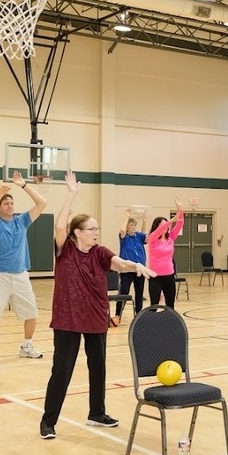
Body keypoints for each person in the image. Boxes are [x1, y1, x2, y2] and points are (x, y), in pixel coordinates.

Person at [40, 171, 156, 440]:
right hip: (68, 318)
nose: (96, 232)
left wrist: (136, 265)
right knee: (62, 370)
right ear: (78, 232)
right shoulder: (65, 250)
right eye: (91, 229)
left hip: (95, 316)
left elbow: (119, 263)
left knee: (98, 366)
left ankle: (97, 412)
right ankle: (49, 421)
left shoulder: (100, 252)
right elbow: (59, 226)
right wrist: (72, 195)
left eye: (97, 229)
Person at [0, 171, 48, 363]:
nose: (10, 205)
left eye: (11, 203)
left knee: (31, 312)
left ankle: (27, 345)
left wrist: (24, 185)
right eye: (6, 203)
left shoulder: (22, 221)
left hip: (20, 274)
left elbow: (42, 203)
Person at [147, 198, 185, 309]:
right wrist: (171, 220)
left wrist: (179, 209)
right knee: (154, 305)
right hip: (155, 277)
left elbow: (180, 223)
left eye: (166, 225)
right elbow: (158, 231)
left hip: (169, 276)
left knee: (170, 305)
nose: (166, 227)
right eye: (163, 225)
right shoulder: (152, 239)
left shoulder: (171, 238)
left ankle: (169, 325)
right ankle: (153, 325)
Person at [114, 210, 148, 322]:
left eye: (134, 225)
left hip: (139, 270)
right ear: (127, 227)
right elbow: (122, 230)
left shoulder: (138, 236)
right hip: (127, 270)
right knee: (123, 292)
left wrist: (144, 221)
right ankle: (118, 314)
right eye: (130, 225)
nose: (133, 227)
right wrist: (127, 217)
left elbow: (145, 235)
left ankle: (138, 314)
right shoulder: (124, 237)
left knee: (139, 293)